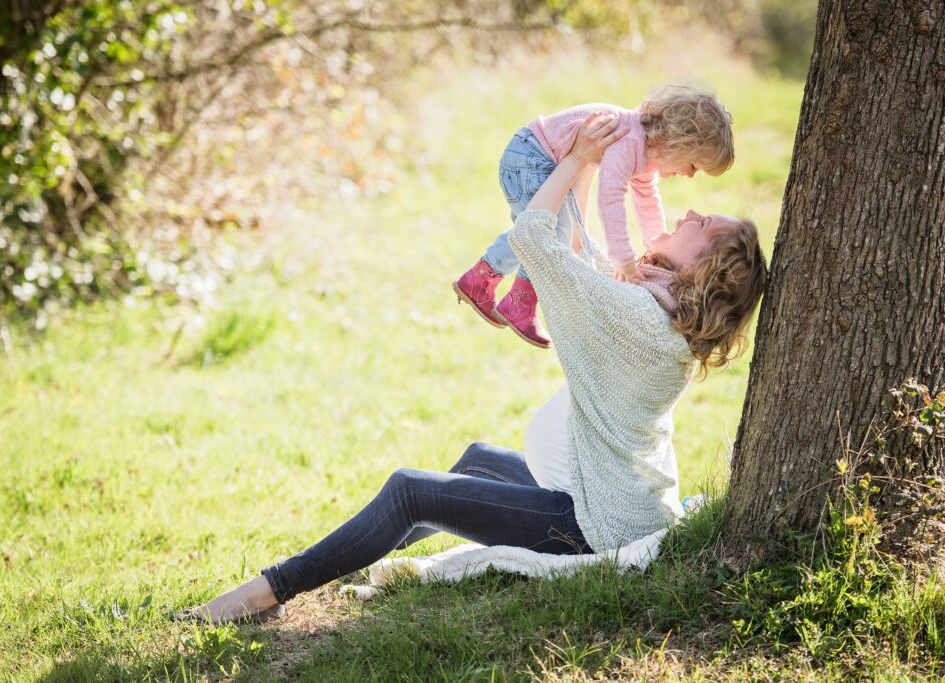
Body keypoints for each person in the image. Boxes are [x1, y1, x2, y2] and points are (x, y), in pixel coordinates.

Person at [179, 114, 766, 626]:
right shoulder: (659, 312)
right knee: (476, 460)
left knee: (411, 490)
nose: (689, 211)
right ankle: (338, 560)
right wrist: (587, 166)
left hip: (593, 524)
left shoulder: (638, 316)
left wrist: (579, 159)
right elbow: (583, 257)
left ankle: (267, 592)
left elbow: (536, 239)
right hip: (609, 496)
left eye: (703, 225)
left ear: (705, 269)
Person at [453, 85, 734, 348]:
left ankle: (488, 284)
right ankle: (514, 299)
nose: (688, 175)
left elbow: (648, 201)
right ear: (679, 142)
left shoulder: (646, 153)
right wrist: (623, 258)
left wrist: (655, 246)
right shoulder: (630, 140)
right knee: (546, 232)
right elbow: (610, 198)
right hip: (530, 158)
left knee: (547, 232)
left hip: (538, 158)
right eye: (694, 165)